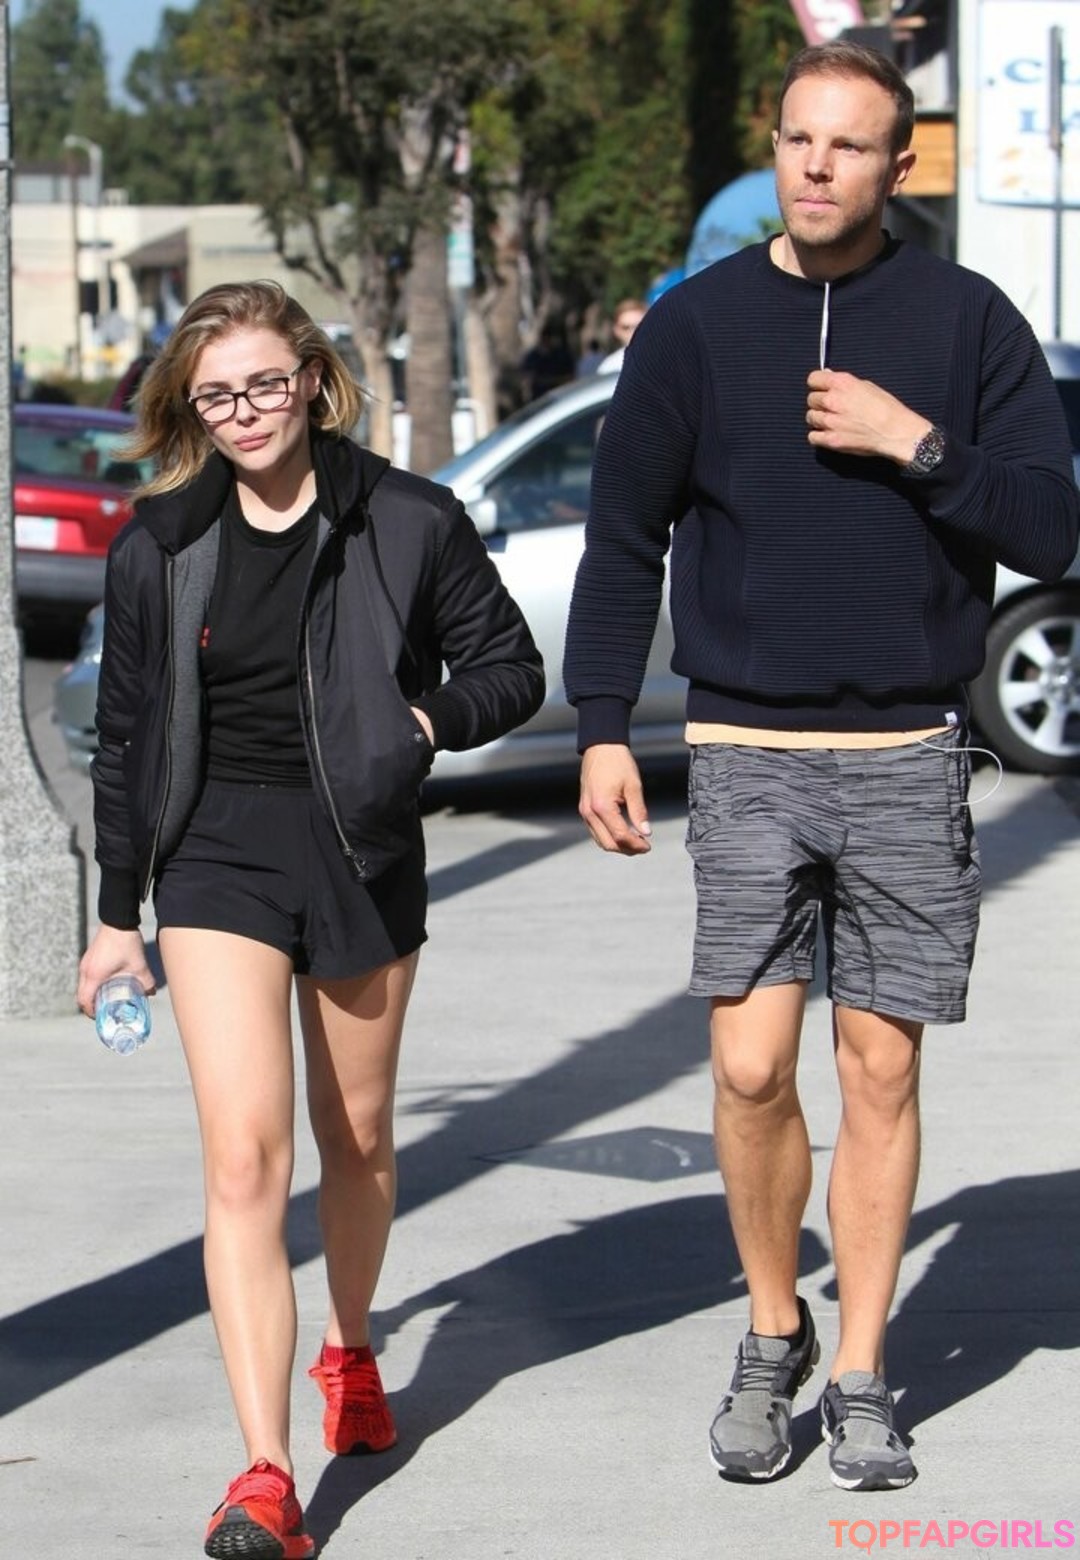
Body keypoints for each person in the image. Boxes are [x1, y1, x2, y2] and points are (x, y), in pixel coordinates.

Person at [563, 41, 1078, 1494]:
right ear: (775, 142)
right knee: (746, 1066)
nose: (816, 165)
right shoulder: (696, 325)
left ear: (898, 165)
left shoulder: (969, 321)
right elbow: (622, 537)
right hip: (745, 748)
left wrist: (918, 445)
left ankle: (859, 1371)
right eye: (798, 138)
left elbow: (1049, 525)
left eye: (849, 145)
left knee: (881, 1068)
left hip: (907, 750)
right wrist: (602, 722)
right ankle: (772, 1327)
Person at [76, 279, 544, 1557]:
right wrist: (117, 918)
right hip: (214, 858)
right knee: (244, 1159)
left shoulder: (407, 518)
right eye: (217, 395)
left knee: (361, 1139)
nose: (245, 413)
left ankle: (349, 1343)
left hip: (359, 850)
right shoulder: (158, 545)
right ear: (190, 407)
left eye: (265, 384)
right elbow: (124, 741)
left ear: (314, 381)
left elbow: (510, 668)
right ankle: (266, 1475)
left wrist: (422, 721)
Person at [597, 297, 648, 374]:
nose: (633, 332)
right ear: (616, 330)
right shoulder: (609, 367)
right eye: (626, 327)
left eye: (640, 326)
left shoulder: (665, 357)